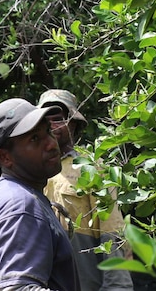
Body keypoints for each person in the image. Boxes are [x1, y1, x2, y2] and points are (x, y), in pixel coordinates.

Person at [0, 97, 81, 291]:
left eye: (48, 131)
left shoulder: (15, 195)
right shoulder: (20, 206)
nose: (51, 143)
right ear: (4, 157)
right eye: (34, 139)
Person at [39, 90, 133, 291]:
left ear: (73, 122)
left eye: (57, 119)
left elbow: (112, 230)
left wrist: (117, 286)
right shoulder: (33, 168)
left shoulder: (92, 168)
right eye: (44, 121)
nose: (51, 126)